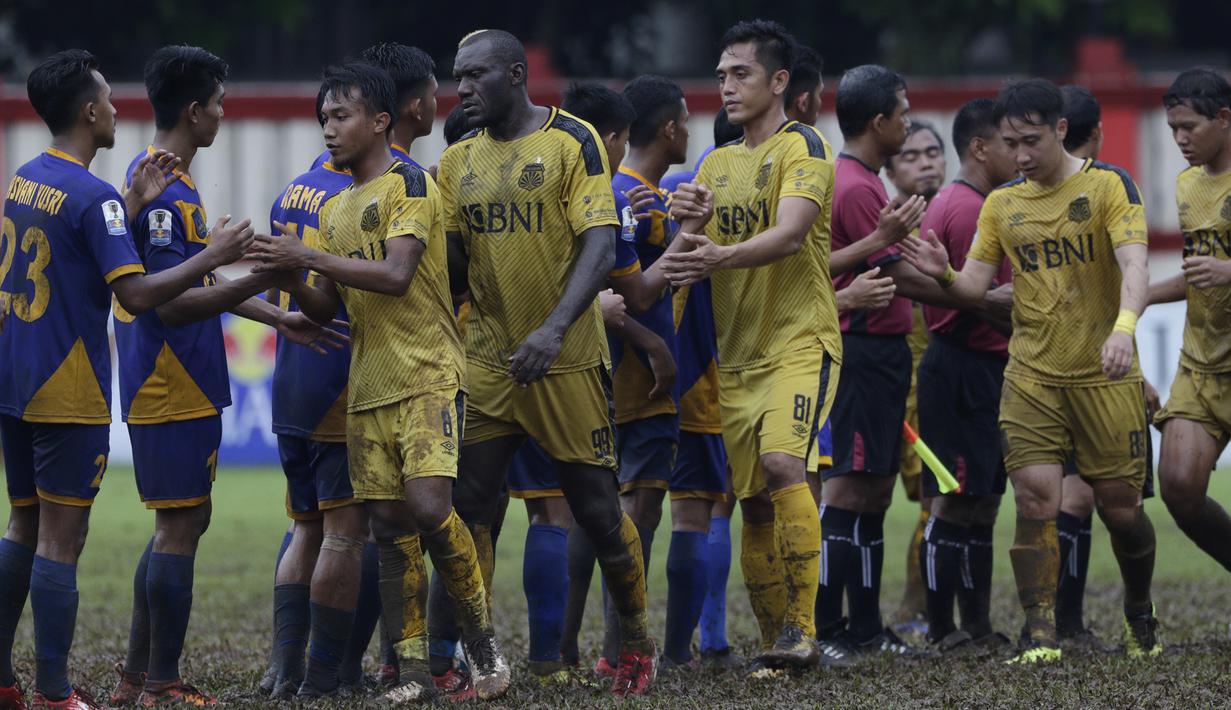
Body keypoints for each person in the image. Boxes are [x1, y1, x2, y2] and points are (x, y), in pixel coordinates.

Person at [0, 49, 253, 710]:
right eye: (109, 100)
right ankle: (58, 692)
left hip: (14, 375)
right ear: (89, 112)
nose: (118, 109)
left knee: (22, 528)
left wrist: (132, 199)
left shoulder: (28, 176)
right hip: (68, 384)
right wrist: (222, 256)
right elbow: (141, 296)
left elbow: (86, 248)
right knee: (63, 538)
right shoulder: (98, 198)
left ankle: (7, 680)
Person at [247, 62, 508, 702]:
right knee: (390, 529)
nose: (329, 130)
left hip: (425, 375)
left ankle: (485, 654)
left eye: (341, 116)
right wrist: (286, 278)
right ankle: (413, 673)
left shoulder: (412, 184)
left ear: (381, 122)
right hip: (367, 387)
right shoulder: (336, 208)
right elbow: (325, 307)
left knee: (428, 509)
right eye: (324, 119)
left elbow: (396, 275)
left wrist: (305, 256)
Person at [902, 78, 1160, 663]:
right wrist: (944, 274)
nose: (1019, 155)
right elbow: (973, 287)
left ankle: (1138, 607)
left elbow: (1135, 264)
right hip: (1031, 375)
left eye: (1030, 140)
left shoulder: (1109, 185)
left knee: (1122, 510)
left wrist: (1123, 328)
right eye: (1010, 143)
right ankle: (1039, 631)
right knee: (1035, 500)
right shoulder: (1002, 204)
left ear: (1060, 129)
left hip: (1102, 371)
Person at [109, 44, 336, 708]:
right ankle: (160, 683)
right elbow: (170, 301)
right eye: (218, 104)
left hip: (184, 379)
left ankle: (134, 675)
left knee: (185, 521)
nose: (222, 114)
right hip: (169, 379)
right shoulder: (160, 196)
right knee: (177, 527)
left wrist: (275, 315)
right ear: (194, 110)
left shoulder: (164, 181)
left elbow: (201, 278)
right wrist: (259, 268)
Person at [436, 28, 657, 697]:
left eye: (475, 76)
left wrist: (555, 329)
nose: (463, 88)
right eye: (457, 77)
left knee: (593, 508)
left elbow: (598, 243)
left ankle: (637, 645)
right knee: (465, 505)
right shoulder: (455, 164)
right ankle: (468, 657)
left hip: (565, 358)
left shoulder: (573, 141)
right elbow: (451, 271)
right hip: (489, 362)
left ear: (513, 72)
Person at [660, 19, 838, 671]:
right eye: (720, 75)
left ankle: (801, 627)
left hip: (799, 341)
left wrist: (717, 253)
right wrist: (685, 227)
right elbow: (688, 252)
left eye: (740, 74)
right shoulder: (714, 162)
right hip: (736, 357)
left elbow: (790, 235)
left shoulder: (805, 147)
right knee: (755, 500)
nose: (726, 87)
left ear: (778, 81)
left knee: (785, 467)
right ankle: (776, 644)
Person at [914, 98, 1018, 652]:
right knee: (954, 499)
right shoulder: (972, 209)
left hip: (976, 366)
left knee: (982, 499)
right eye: (1009, 143)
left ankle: (973, 625)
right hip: (961, 365)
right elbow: (996, 300)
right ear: (980, 148)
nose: (1019, 154)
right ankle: (942, 629)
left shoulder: (969, 202)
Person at [1150, 68, 1231, 577]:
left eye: (1189, 128)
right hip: (1202, 362)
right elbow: (1199, 273)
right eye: (1172, 128)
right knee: (1179, 487)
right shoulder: (1186, 186)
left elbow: (1219, 269)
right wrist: (1139, 295)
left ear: (1224, 119)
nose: (1179, 139)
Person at [883, 119, 947, 634]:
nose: (926, 162)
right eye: (911, 155)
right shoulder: (882, 226)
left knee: (939, 499)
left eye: (933, 152)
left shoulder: (959, 216)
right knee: (865, 498)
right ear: (889, 168)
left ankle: (917, 610)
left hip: (939, 385)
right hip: (891, 382)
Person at [309, 43, 437, 171]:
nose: (328, 132)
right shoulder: (414, 180)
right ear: (417, 107)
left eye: (341, 117)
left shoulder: (324, 161)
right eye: (434, 95)